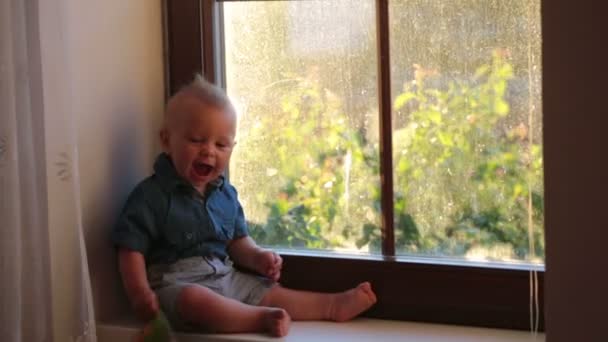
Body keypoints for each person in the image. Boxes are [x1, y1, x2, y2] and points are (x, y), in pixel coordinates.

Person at [111, 75, 377, 337]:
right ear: (167, 140)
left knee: (270, 292)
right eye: (196, 140)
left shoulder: (225, 194)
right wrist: (140, 294)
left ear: (232, 147)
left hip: (225, 275)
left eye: (221, 144)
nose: (209, 151)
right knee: (195, 301)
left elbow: (238, 242)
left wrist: (259, 257)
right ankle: (259, 319)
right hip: (176, 285)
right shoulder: (152, 195)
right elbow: (130, 248)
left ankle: (330, 306)